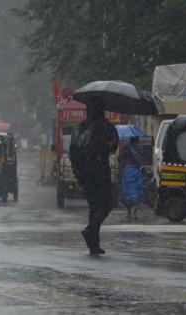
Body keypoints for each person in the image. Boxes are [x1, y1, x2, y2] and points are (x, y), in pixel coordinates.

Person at [69, 100, 119, 255]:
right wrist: (104, 145)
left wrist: (78, 173)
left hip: (84, 172)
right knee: (106, 205)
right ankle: (91, 230)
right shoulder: (106, 126)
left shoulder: (79, 128)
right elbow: (114, 145)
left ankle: (93, 244)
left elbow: (72, 152)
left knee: (93, 206)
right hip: (99, 171)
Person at [119, 136, 142, 220]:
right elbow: (141, 160)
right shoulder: (139, 148)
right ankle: (133, 212)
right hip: (136, 171)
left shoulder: (125, 148)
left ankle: (129, 213)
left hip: (127, 171)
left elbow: (119, 159)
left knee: (127, 192)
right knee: (136, 192)